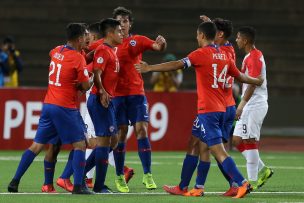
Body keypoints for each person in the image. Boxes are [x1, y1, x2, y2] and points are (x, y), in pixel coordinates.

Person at [135, 21, 264, 198]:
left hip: (208, 110)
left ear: (202, 36)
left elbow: (177, 64)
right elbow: (239, 76)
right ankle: (186, 186)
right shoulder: (226, 54)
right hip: (224, 108)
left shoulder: (200, 54)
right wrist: (256, 81)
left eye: (197, 35)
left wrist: (150, 68)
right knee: (195, 142)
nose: (196, 37)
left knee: (216, 150)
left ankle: (241, 183)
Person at [7, 23, 94, 194]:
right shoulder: (78, 59)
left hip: (49, 105)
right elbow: (84, 86)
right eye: (84, 36)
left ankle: (14, 181)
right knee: (80, 145)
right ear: (78, 39)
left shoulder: (56, 51)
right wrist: (89, 78)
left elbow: (62, 63)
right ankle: (78, 187)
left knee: (37, 146)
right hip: (65, 107)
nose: (87, 38)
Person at [112, 6, 167, 190]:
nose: (122, 25)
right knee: (120, 135)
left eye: (125, 21)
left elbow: (157, 47)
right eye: (119, 21)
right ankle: (119, 176)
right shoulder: (108, 45)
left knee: (141, 130)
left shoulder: (137, 41)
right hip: (117, 96)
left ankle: (148, 175)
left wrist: (162, 44)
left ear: (130, 24)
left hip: (136, 93)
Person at [233, 26, 273, 190]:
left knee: (249, 140)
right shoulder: (250, 56)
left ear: (245, 40)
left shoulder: (254, 57)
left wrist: (241, 104)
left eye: (238, 38)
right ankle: (263, 170)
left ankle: (251, 182)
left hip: (255, 104)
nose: (236, 40)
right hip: (249, 104)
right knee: (236, 140)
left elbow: (254, 84)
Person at [87, 18, 123, 193]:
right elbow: (97, 73)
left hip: (108, 100)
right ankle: (99, 186)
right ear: (110, 33)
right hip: (100, 99)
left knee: (113, 141)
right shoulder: (103, 50)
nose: (122, 34)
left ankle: (76, 174)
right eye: (119, 31)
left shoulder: (112, 51)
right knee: (104, 141)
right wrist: (101, 91)